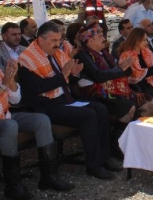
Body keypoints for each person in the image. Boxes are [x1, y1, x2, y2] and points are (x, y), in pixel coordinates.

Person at [18, 21, 121, 180]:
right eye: (53, 40)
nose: (57, 44)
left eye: (59, 40)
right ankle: (94, 165)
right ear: (40, 40)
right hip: (45, 105)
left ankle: (104, 158)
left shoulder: (56, 54)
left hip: (64, 99)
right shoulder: (27, 59)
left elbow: (67, 79)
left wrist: (73, 73)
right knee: (87, 115)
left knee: (100, 109)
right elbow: (37, 89)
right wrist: (64, 75)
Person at [75, 23, 153, 157]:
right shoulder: (83, 55)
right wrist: (120, 69)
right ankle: (116, 145)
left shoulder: (103, 53)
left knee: (150, 103)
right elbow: (98, 75)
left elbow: (123, 72)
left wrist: (130, 68)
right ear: (90, 40)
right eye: (100, 36)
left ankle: (138, 140)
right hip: (98, 92)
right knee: (128, 108)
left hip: (116, 88)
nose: (104, 38)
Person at [0, 60, 74, 199]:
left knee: (41, 120)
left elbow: (15, 100)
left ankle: (49, 176)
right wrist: (4, 84)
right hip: (5, 122)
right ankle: (13, 186)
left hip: (5, 115)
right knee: (10, 126)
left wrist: (11, 81)